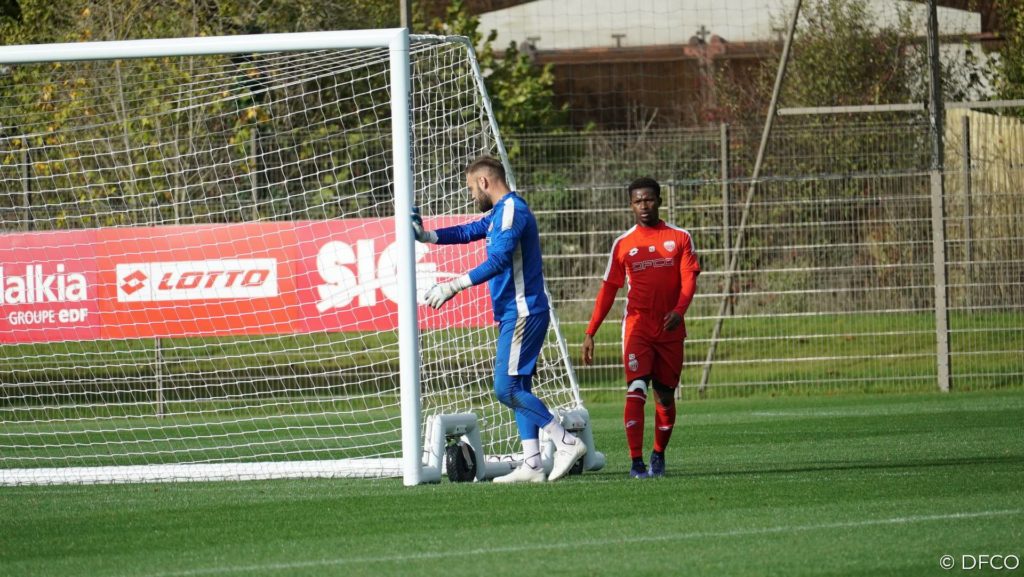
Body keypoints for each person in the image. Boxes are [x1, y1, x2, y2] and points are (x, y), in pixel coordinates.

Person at [411, 156, 587, 483]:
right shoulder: (498, 213)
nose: (471, 195)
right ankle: (533, 464)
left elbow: (498, 261)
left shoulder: (512, 211)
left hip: (523, 311)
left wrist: (452, 286)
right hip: (514, 312)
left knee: (505, 389)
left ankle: (565, 441)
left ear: (484, 182)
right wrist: (427, 236)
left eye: (470, 188)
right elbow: (468, 231)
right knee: (520, 386)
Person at [581, 177, 700, 478]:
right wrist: (590, 331)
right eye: (637, 201)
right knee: (636, 388)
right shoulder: (623, 244)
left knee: (665, 396)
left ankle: (658, 454)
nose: (643, 206)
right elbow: (609, 290)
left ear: (659, 200)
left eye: (648, 200)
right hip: (638, 327)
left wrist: (679, 311)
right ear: (631, 205)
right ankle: (636, 463)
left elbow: (689, 280)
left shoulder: (680, 237)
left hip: (670, 328)